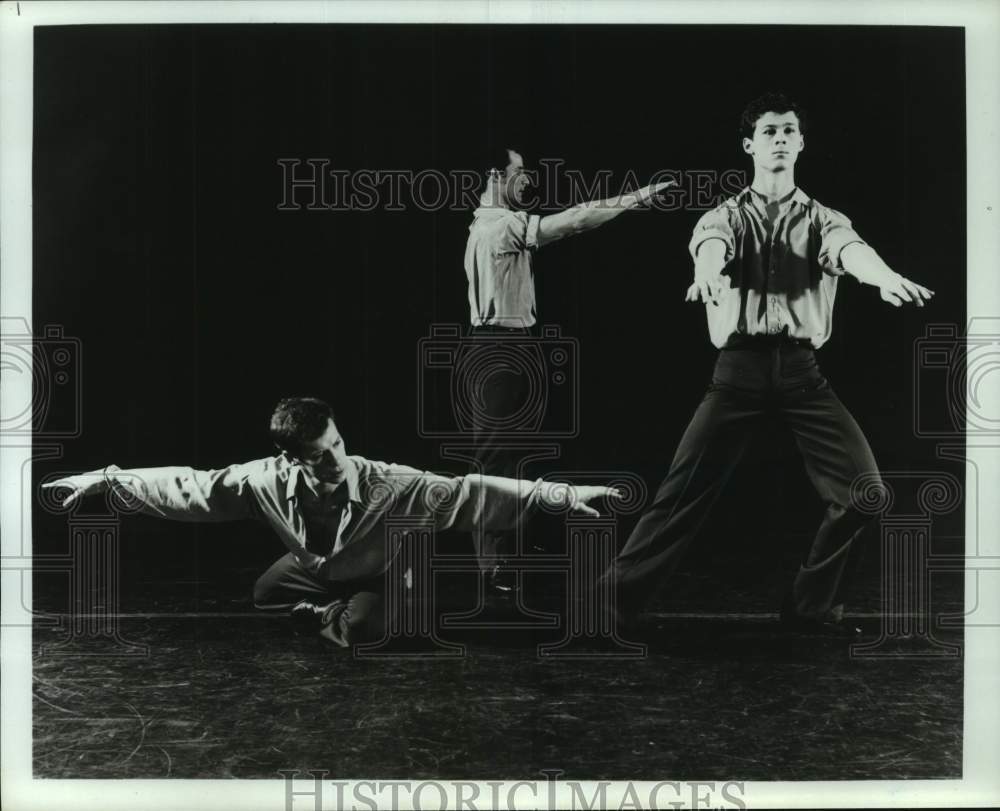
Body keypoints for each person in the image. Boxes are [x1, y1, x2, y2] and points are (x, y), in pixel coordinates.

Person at [598, 92, 934, 637]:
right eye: (769, 131)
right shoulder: (724, 216)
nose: (780, 138)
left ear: (801, 142)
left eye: (789, 131)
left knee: (864, 492)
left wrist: (885, 277)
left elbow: (850, 250)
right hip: (738, 372)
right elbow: (711, 244)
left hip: (803, 375)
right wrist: (707, 270)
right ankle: (605, 610)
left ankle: (810, 609)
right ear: (749, 145)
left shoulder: (825, 219)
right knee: (678, 496)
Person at [44, 397, 622, 647]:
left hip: (379, 571)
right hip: (316, 572)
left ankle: (356, 612)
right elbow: (191, 488)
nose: (336, 457)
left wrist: (564, 495)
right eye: (320, 453)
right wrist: (104, 478)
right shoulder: (264, 480)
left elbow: (473, 494)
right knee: (264, 592)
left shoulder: (389, 483)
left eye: (338, 443)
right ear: (292, 457)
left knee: (372, 632)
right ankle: (323, 610)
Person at [464, 148, 672, 594]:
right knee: (498, 458)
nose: (527, 180)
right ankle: (494, 565)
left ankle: (508, 555)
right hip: (499, 350)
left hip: (509, 346)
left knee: (514, 456)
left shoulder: (488, 223)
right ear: (495, 174)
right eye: (520, 172)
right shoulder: (499, 225)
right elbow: (576, 220)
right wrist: (634, 198)